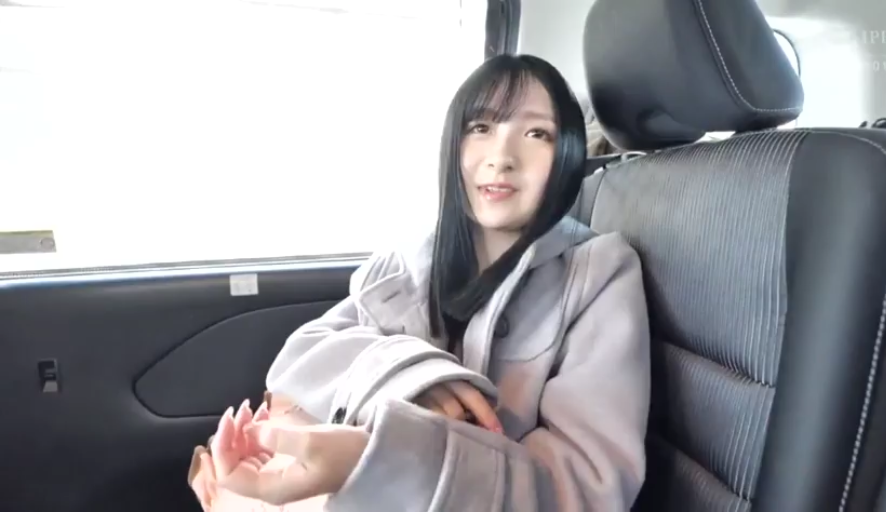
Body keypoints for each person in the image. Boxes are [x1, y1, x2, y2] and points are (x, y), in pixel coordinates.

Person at [199, 53, 651, 511]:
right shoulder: (411, 258)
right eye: (481, 127)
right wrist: (410, 376)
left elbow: (584, 491)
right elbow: (303, 358)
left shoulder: (597, 273)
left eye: (536, 134)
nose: (502, 157)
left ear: (567, 152)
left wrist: (379, 460)